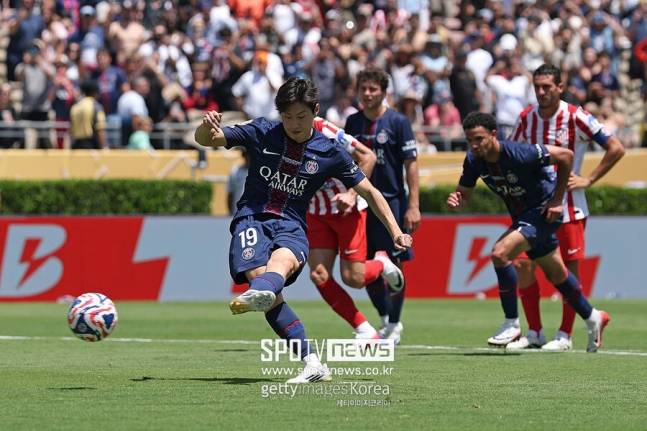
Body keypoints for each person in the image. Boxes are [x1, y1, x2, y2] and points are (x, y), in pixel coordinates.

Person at [194, 78, 412, 383]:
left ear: (315, 111)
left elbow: (370, 192)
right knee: (266, 287)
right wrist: (206, 127)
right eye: (287, 117)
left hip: (292, 224)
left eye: (301, 116)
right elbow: (209, 139)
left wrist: (396, 231)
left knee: (281, 266)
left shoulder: (330, 150)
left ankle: (264, 290)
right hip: (252, 219)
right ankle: (313, 363)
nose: (294, 124)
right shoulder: (262, 130)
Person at [447, 112, 610, 354]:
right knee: (556, 274)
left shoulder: (519, 153)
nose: (474, 145)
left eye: (479, 139)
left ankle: (512, 324)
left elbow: (566, 155)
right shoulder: (473, 160)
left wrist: (557, 200)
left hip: (544, 212)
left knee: (500, 253)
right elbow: (465, 193)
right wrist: (457, 199)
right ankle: (593, 316)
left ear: (493, 135)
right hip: (523, 217)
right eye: (470, 140)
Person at [499, 64, 625, 351]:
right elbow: (511, 154)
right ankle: (534, 332)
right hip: (534, 208)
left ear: (560, 86)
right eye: (537, 87)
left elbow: (616, 147)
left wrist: (589, 179)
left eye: (547, 87)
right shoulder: (526, 117)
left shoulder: (576, 116)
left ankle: (565, 335)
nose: (541, 92)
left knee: (568, 269)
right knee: (523, 264)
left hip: (569, 207)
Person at [308, 117, 404, 340]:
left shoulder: (324, 130)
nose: (294, 122)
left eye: (300, 115)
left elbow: (368, 157)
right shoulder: (280, 134)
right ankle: (364, 329)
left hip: (348, 211)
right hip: (315, 211)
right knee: (319, 275)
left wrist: (351, 194)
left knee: (354, 279)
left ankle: (381, 263)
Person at [344, 67, 421, 344]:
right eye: (363, 89)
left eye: (372, 89)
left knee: (395, 263)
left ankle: (395, 323)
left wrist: (413, 205)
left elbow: (411, 165)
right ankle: (386, 320)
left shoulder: (398, 122)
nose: (367, 94)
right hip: (360, 205)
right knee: (365, 265)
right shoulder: (352, 122)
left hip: (392, 202)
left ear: (383, 92)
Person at [69, 80, 107, 150]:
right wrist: (104, 147)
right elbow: (100, 129)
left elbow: (71, 131)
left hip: (76, 145)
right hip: (91, 145)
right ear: (95, 92)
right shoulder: (96, 106)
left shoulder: (75, 106)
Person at [226, 149, 249, 216]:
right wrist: (230, 214)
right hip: (237, 214)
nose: (248, 157)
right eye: (245, 155)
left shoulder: (261, 172)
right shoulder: (235, 171)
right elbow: (230, 194)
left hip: (255, 215)